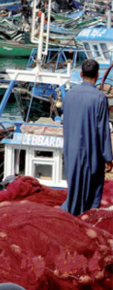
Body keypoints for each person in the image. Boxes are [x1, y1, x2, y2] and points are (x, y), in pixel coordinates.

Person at [61, 59, 113, 215]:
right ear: (97, 75)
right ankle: (86, 218)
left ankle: (72, 213)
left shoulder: (69, 95)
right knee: (92, 190)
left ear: (81, 73)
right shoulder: (100, 98)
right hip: (91, 152)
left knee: (75, 186)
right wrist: (108, 157)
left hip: (71, 150)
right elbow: (102, 130)